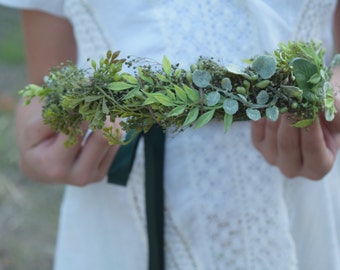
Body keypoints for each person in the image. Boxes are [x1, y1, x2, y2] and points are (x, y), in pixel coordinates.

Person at [1, 0, 340, 269]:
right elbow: (46, 83)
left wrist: (330, 102)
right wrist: (41, 147)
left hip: (299, 184)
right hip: (123, 203)